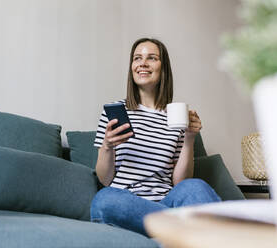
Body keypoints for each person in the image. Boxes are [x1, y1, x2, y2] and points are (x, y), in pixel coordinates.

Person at [90, 38, 221, 237]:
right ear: (132, 67)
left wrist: (189, 140)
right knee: (105, 200)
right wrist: (107, 145)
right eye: (137, 58)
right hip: (128, 201)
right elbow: (104, 179)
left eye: (151, 58)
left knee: (195, 186)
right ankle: (183, 228)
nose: (142, 63)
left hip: (166, 200)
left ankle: (171, 228)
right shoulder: (115, 111)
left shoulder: (176, 117)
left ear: (163, 68)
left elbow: (180, 183)